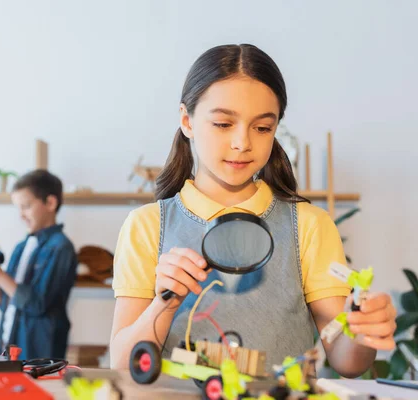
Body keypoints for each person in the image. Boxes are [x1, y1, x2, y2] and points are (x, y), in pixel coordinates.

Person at [109, 44, 396, 377]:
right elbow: (122, 363)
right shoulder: (147, 226)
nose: (242, 143)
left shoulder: (309, 225)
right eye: (222, 124)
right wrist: (166, 300)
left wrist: (363, 329)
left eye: (262, 128)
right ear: (187, 120)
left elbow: (347, 361)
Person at [0, 169, 78, 360]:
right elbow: (8, 302)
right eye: (18, 208)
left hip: (39, 350)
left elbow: (37, 304)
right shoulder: (22, 246)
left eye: (26, 206)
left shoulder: (61, 247)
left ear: (50, 203)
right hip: (8, 342)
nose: (21, 215)